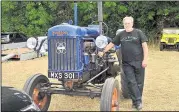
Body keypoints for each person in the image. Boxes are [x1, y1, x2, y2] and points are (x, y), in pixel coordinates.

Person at [98, 16, 148, 110]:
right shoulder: (121, 34)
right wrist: (103, 51)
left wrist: (145, 60)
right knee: (131, 82)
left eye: (129, 23)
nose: (127, 25)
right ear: (123, 24)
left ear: (132, 23)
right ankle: (138, 102)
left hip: (139, 62)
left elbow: (145, 46)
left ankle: (135, 102)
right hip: (126, 63)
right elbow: (112, 44)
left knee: (139, 83)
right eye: (125, 23)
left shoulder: (138, 33)